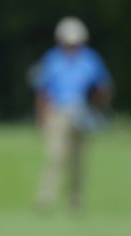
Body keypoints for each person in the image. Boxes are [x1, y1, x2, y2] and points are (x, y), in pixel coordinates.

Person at [32, 16, 113, 213]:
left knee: (78, 160)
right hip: (57, 112)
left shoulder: (90, 59)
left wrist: (100, 108)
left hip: (82, 112)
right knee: (55, 157)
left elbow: (103, 87)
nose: (71, 46)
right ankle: (46, 200)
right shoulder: (52, 59)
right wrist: (40, 117)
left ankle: (75, 202)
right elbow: (42, 90)